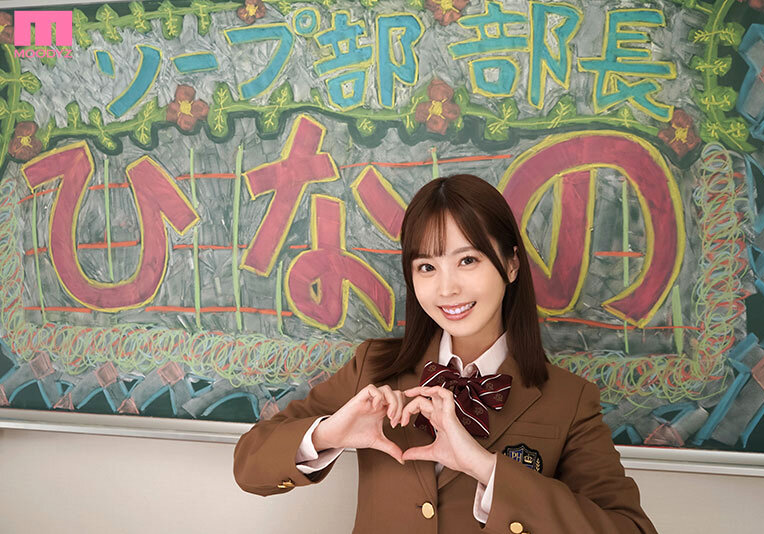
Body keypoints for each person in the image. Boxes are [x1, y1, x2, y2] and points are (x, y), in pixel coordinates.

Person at [233, 174, 658, 534]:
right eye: (427, 267)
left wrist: (487, 469)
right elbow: (249, 466)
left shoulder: (569, 399)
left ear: (511, 265)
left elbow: (629, 528)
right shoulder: (374, 368)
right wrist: (329, 434)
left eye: (468, 260)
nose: (447, 288)